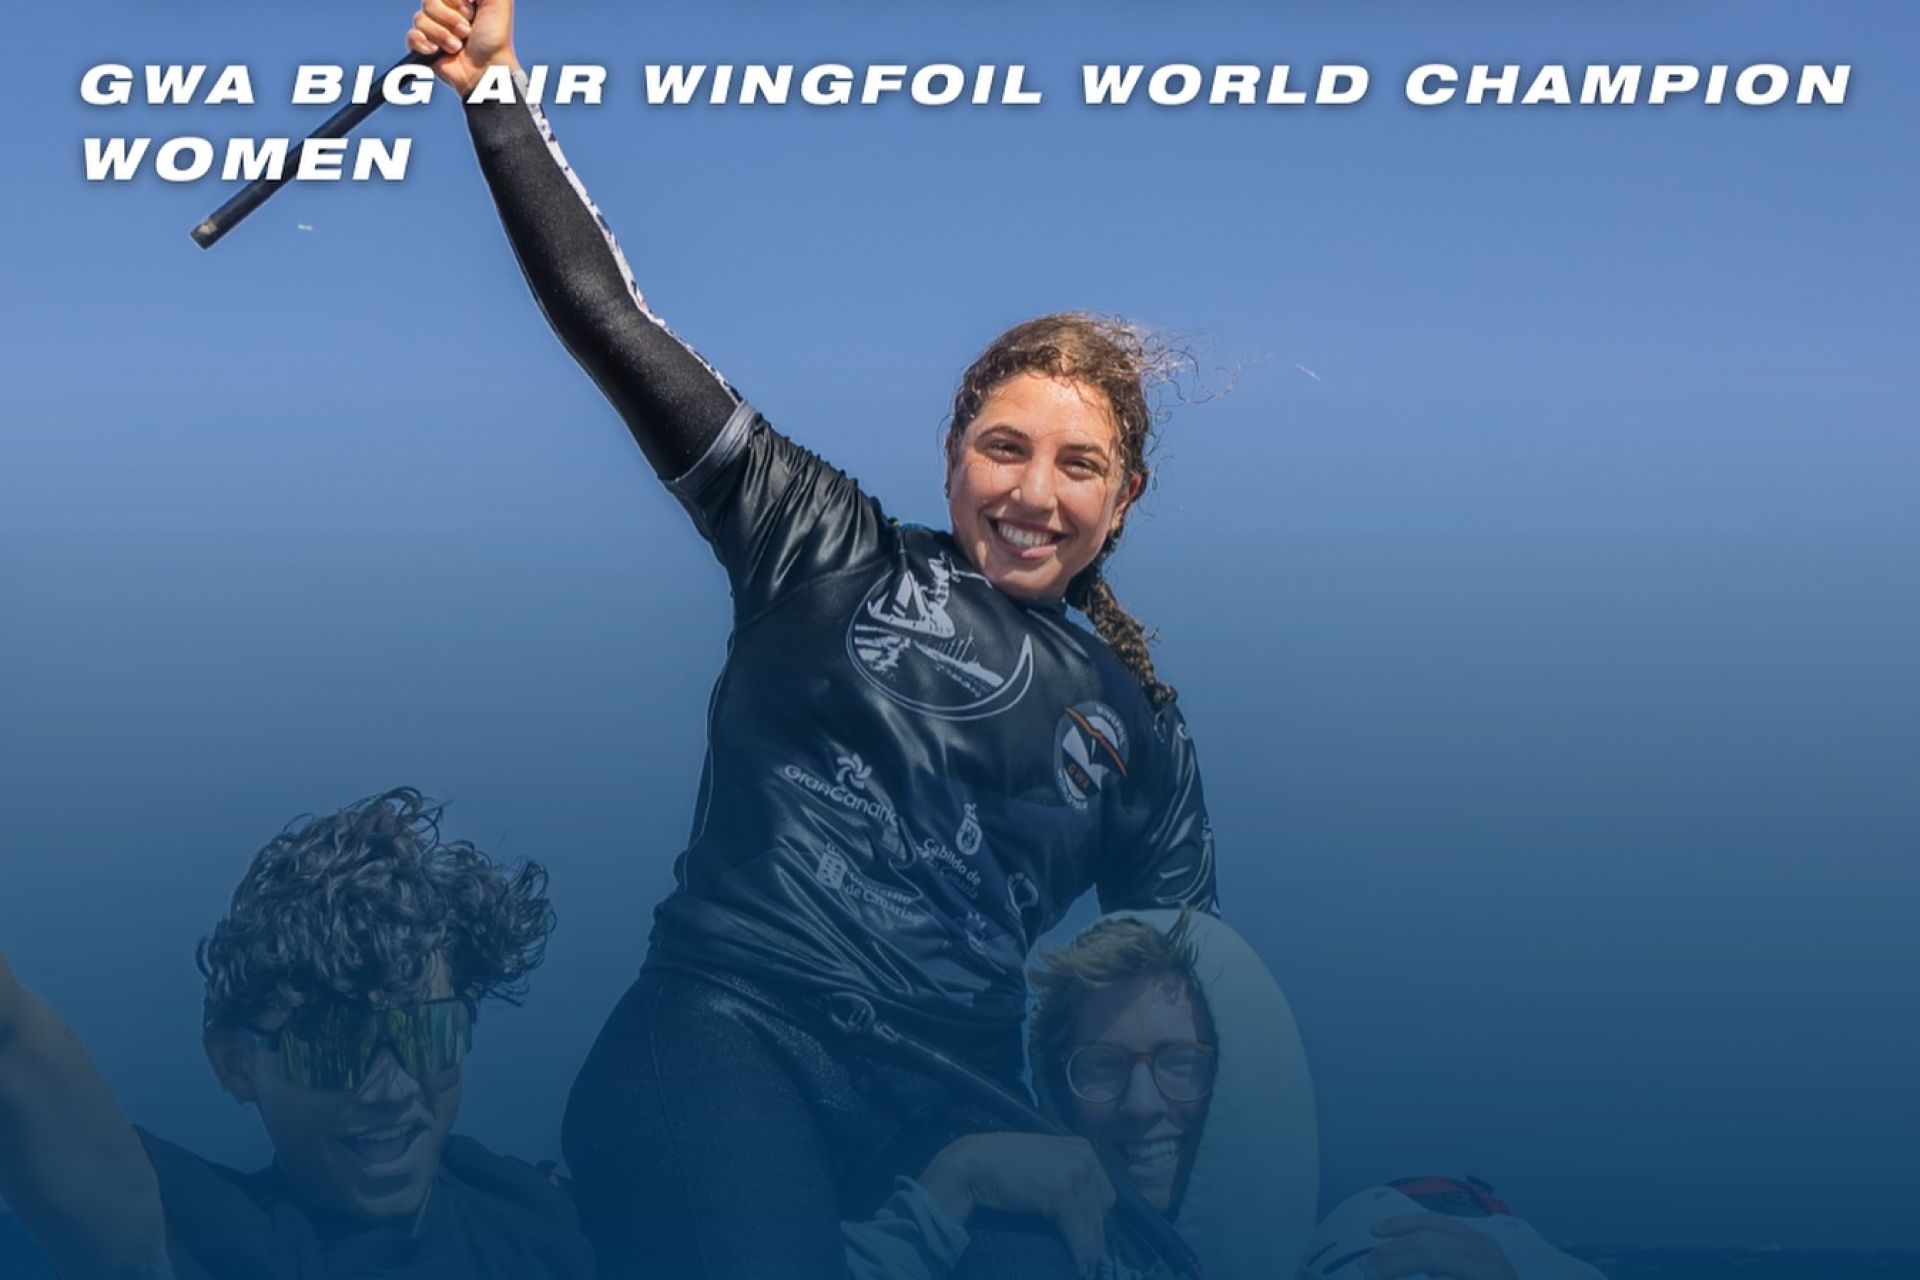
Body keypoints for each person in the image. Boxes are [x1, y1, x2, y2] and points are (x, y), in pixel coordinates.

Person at [407, 2, 1219, 1277]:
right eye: (1004, 448)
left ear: (1124, 501)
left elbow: (1182, 1000)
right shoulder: (821, 539)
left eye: (1079, 465)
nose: (1033, 492)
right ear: (950, 456)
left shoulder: (1140, 731)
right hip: (725, 1036)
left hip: (956, 1092)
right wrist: (493, 92)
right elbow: (611, 318)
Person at [0, 789, 596, 1280]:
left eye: (427, 1033)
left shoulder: (537, 1210)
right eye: (333, 1045)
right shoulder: (214, 1249)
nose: (390, 1089)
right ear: (236, 1064)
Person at [845, 913, 1601, 1280]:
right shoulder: (1041, 1249)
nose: (1140, 1104)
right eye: (1102, 1067)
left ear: (1243, 1075)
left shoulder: (1376, 1241)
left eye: (1181, 1062)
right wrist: (956, 1182)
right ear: (1057, 1090)